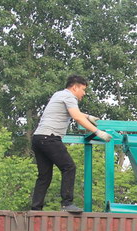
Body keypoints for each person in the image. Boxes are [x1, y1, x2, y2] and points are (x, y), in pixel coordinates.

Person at [31, 75, 112, 213]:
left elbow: (76, 113)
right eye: (83, 89)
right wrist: (98, 132)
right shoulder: (69, 97)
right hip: (50, 137)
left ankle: (36, 208)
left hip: (38, 138)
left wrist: (87, 116)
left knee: (44, 176)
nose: (84, 93)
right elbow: (76, 116)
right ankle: (67, 204)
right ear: (75, 87)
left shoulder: (59, 94)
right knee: (69, 167)